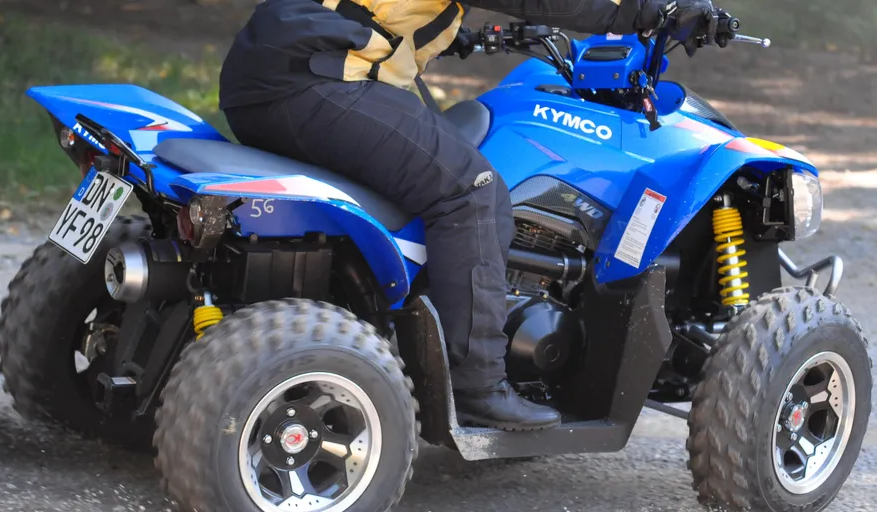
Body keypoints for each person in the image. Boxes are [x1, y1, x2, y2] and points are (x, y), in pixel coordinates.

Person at [219, 0, 717, 431]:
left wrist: (460, 37)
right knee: (471, 192)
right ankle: (477, 386)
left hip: (266, 74)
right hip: (321, 80)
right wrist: (646, 11)